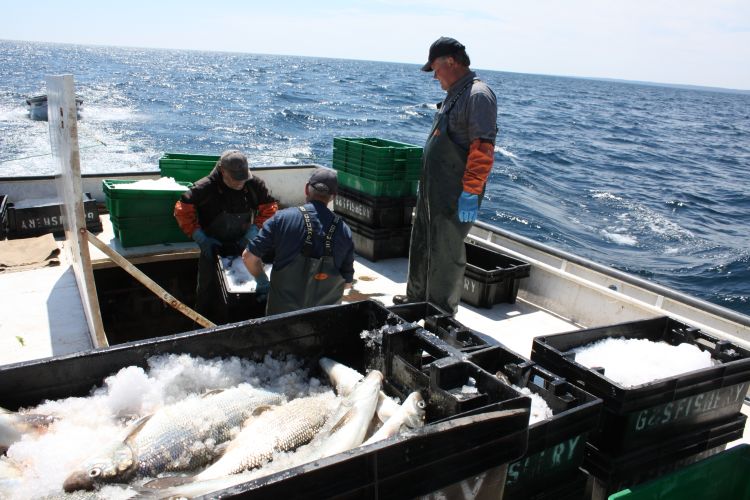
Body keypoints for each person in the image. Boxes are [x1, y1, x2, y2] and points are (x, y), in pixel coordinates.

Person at [393, 37, 498, 315]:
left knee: (445, 252)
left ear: (450, 62)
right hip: (431, 191)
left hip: (454, 193)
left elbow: (482, 148)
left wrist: (471, 191)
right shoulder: (455, 94)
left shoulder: (478, 95)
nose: (434, 75)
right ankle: (416, 299)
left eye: (436, 68)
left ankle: (440, 313)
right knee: (423, 242)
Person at [174, 150, 278, 322]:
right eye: (237, 179)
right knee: (206, 291)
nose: (241, 182)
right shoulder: (204, 188)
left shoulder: (254, 185)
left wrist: (255, 230)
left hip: (244, 244)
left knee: (251, 287)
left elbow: (270, 208)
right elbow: (182, 211)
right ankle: (201, 325)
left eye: (244, 178)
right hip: (213, 246)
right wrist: (200, 237)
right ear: (223, 171)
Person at [242, 167, 354, 316]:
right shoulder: (345, 231)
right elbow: (346, 284)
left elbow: (249, 257)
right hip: (324, 324)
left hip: (281, 321)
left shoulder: (281, 219)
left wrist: (262, 280)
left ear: (307, 188)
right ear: (333, 197)